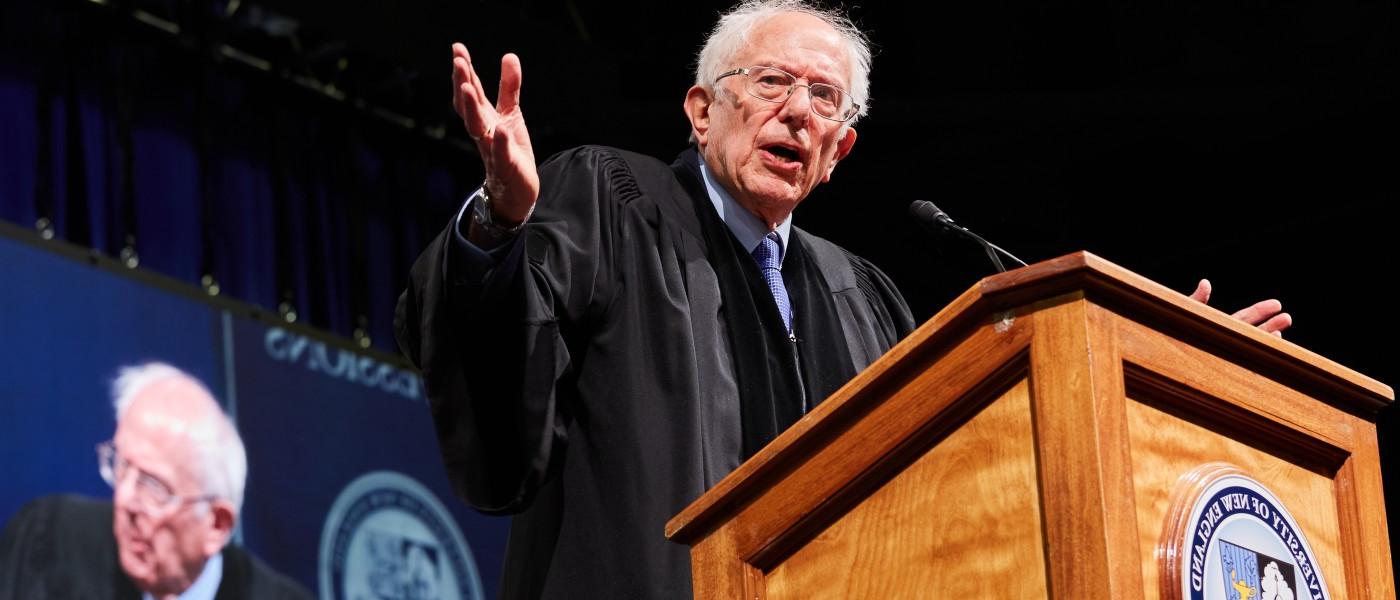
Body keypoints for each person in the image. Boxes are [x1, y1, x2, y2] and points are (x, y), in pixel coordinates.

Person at [394, 1, 1291, 598]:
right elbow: (497, 377)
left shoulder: (862, 295)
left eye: (824, 98)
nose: (796, 111)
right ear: (702, 110)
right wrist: (500, 223)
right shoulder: (610, 198)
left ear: (842, 152)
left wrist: (1151, 376)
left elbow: (963, 487)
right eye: (771, 83)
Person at [0, 363, 311, 600]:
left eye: (153, 487)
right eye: (121, 465)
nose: (124, 500)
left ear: (216, 524)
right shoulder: (51, 542)